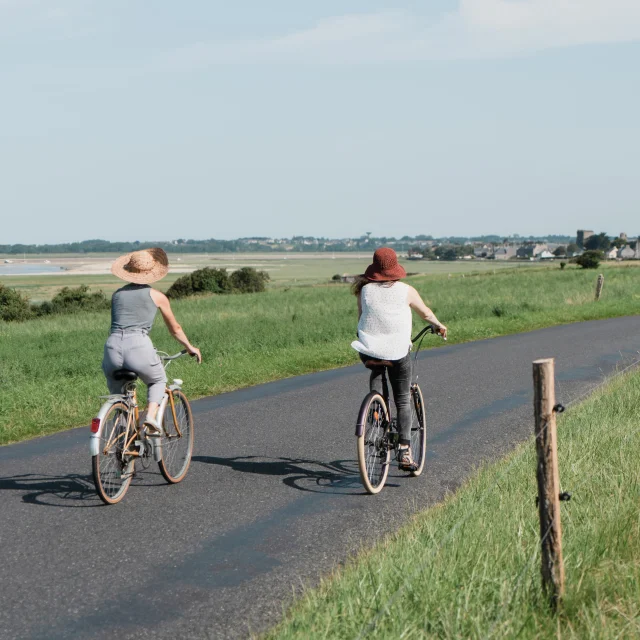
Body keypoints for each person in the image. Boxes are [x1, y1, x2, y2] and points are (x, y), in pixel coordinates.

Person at [351, 247, 447, 471]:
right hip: (397, 352)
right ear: (395, 268)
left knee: (376, 366)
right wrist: (438, 325)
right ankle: (404, 450)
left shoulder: (364, 291)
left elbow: (361, 318)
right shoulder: (406, 290)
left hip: (368, 350)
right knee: (403, 400)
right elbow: (425, 313)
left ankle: (376, 409)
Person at [103, 248, 202, 436]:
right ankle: (149, 417)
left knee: (120, 399)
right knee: (158, 380)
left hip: (112, 348)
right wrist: (190, 347)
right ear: (151, 273)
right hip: (139, 346)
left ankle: (122, 444)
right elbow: (175, 329)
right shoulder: (157, 296)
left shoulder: (117, 295)